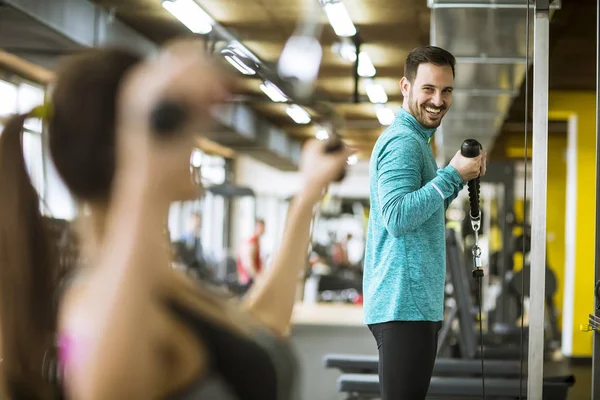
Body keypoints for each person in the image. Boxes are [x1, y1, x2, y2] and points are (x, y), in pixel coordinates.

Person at [0, 40, 354, 399]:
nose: (192, 143)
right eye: (176, 125)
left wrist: (308, 193)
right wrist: (146, 163)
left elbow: (262, 327)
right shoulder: (92, 303)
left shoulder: (166, 284)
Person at [362, 45, 487, 400]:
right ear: (406, 86)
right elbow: (397, 217)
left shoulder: (418, 141)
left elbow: (421, 213)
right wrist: (450, 175)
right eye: (428, 89)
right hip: (404, 305)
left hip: (412, 304)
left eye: (446, 90)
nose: (438, 100)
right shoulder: (403, 142)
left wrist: (460, 176)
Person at [236, 218, 266, 288]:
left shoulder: (257, 241)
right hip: (249, 279)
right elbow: (249, 263)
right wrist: (257, 278)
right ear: (256, 227)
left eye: (264, 227)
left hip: (253, 277)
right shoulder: (253, 242)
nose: (263, 230)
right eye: (261, 227)